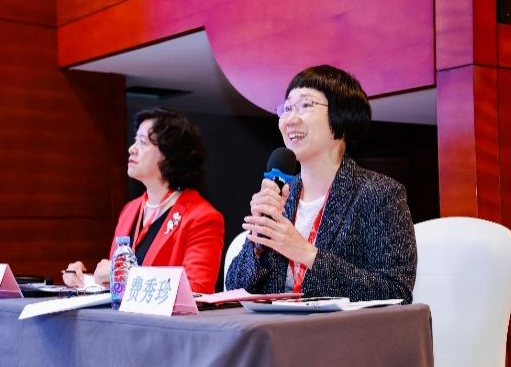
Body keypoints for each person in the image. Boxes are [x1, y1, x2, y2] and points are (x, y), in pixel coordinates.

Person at [225, 64, 417, 303]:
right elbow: (233, 290)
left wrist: (306, 253)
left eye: (305, 105)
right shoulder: (281, 195)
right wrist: (258, 244)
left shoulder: (380, 194)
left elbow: (396, 292)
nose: (290, 119)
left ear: (341, 118)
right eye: (287, 108)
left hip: (337, 327)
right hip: (276, 325)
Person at [63, 108, 224, 294]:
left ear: (169, 153)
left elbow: (197, 289)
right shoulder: (130, 210)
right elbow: (120, 287)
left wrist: (122, 273)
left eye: (142, 142)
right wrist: (86, 280)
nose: (131, 149)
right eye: (135, 141)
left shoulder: (202, 218)